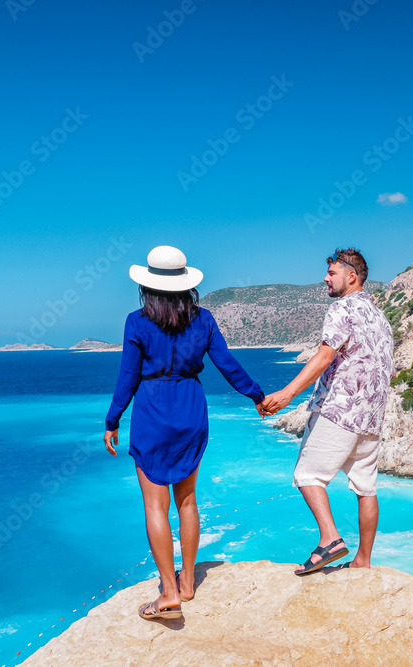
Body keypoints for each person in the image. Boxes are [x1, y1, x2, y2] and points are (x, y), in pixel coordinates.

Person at [104, 245, 268, 620]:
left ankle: (168, 590)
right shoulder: (203, 319)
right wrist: (256, 395)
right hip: (191, 408)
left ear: (147, 285)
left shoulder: (137, 321)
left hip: (152, 411)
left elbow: (128, 376)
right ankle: (189, 582)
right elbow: (227, 363)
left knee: (155, 505)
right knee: (188, 501)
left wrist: (113, 420)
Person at [260, 248, 394, 575]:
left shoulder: (342, 308)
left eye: (332, 273)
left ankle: (330, 539)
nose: (325, 278)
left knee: (308, 475)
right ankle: (362, 561)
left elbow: (324, 356)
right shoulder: (381, 317)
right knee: (366, 487)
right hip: (371, 417)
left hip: (340, 410)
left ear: (352, 276)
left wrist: (287, 394)